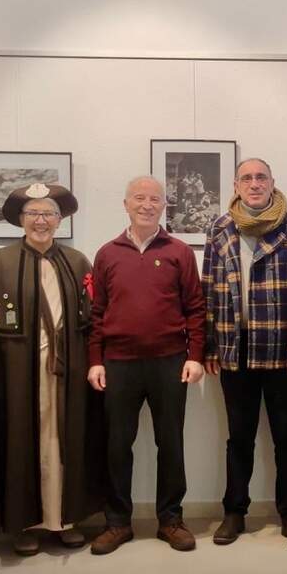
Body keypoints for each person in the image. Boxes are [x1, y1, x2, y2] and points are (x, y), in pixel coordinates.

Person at [0, 183, 103, 555]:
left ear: (59, 219)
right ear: (20, 219)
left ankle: (63, 520)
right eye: (33, 213)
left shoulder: (78, 261)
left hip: (66, 373)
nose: (41, 220)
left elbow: (91, 322)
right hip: (16, 375)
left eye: (48, 213)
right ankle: (23, 523)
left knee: (63, 439)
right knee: (20, 439)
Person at [201, 158, 287, 550]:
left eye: (261, 177)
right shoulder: (220, 227)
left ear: (272, 182)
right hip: (234, 347)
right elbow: (208, 289)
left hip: (282, 349)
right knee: (239, 437)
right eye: (247, 178)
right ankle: (234, 512)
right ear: (236, 185)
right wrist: (210, 345)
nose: (254, 184)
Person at [87, 176, 206, 554]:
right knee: (116, 446)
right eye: (139, 198)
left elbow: (196, 309)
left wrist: (195, 356)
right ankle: (117, 523)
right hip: (118, 363)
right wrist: (95, 360)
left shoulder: (179, 252)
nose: (147, 205)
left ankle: (170, 520)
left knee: (170, 443)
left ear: (163, 206)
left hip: (169, 363)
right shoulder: (107, 253)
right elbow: (97, 312)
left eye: (154, 199)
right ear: (126, 204)